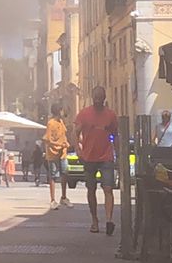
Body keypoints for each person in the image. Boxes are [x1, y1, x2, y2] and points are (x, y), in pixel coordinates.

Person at [74, 87, 119, 235]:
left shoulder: (111, 115)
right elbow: (76, 132)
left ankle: (109, 220)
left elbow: (115, 135)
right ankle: (94, 220)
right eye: (96, 97)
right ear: (92, 97)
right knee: (91, 189)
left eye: (101, 97)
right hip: (89, 157)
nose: (98, 99)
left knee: (108, 188)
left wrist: (117, 153)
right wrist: (78, 149)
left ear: (105, 97)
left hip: (106, 156)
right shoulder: (84, 114)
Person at [43, 105, 71, 208]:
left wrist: (66, 143)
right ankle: (53, 200)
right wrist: (60, 145)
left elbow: (63, 136)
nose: (64, 112)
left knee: (65, 173)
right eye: (62, 110)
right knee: (53, 176)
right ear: (58, 111)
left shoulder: (61, 122)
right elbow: (48, 140)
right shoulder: (51, 123)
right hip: (53, 153)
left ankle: (63, 197)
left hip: (62, 153)